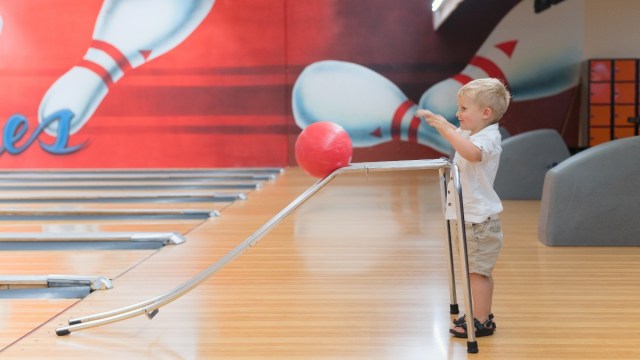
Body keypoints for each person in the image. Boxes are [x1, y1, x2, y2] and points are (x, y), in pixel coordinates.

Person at [415, 77, 510, 338]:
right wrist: (444, 126)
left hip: (478, 219)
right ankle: (479, 313)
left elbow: (472, 154)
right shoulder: (471, 133)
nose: (458, 114)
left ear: (486, 113)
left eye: (464, 109)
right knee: (472, 269)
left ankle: (480, 320)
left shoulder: (488, 137)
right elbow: (462, 145)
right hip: (467, 215)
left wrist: (447, 128)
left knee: (477, 272)